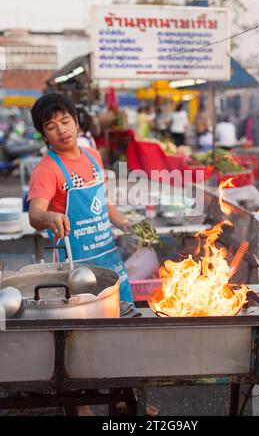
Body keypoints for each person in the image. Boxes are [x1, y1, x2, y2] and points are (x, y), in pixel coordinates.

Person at [27, 93, 158, 417]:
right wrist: (50, 218)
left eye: (65, 121)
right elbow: (35, 213)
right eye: (51, 126)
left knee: (121, 332)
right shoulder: (47, 169)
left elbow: (102, 199)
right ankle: (80, 405)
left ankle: (125, 399)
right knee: (82, 339)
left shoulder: (90, 155)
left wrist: (127, 224)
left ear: (76, 121)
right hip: (77, 268)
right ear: (45, 134)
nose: (61, 130)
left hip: (109, 260)